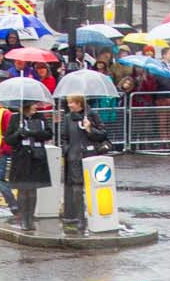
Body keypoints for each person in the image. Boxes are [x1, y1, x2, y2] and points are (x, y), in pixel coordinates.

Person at [55, 94, 111, 233]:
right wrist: (67, 150)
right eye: (68, 103)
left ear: (79, 103)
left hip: (91, 156)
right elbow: (64, 137)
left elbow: (103, 134)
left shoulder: (92, 115)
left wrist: (89, 129)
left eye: (71, 103)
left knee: (93, 189)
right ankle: (81, 218)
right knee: (77, 189)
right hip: (74, 158)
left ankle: (96, 216)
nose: (69, 105)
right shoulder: (68, 118)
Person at [6, 101, 53, 229]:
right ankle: (23, 219)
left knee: (33, 189)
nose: (36, 107)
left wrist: (32, 133)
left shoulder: (40, 117)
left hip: (37, 158)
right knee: (22, 189)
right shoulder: (15, 118)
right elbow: (8, 139)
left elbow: (49, 134)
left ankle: (30, 218)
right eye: (33, 105)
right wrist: (18, 133)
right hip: (21, 158)